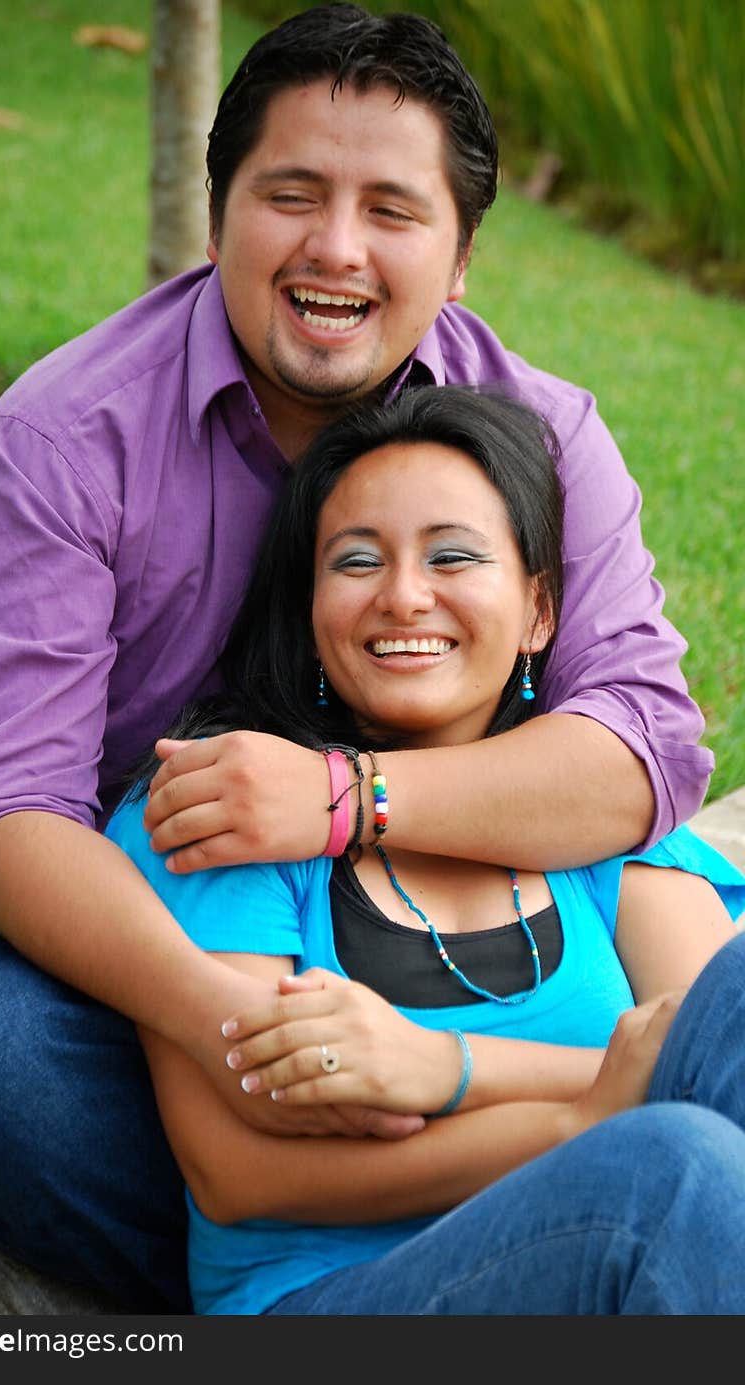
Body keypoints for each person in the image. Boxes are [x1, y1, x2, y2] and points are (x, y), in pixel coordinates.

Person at [0, 5, 715, 1311]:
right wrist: (241, 1030)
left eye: (392, 208)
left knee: (694, 1102)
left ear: (463, 253)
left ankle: (537, 1239)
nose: (335, 248)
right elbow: (7, 815)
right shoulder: (67, 437)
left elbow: (644, 752)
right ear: (220, 215)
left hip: (451, 898)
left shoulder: (543, 438)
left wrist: (348, 801)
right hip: (173, 941)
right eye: (290, 194)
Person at [106, 385, 745, 1315]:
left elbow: (701, 1061)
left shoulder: (592, 826)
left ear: (537, 612)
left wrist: (445, 1067)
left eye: (453, 555)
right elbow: (240, 1171)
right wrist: (582, 1116)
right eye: (356, 559)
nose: (404, 593)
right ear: (312, 607)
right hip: (332, 1301)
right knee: (674, 1175)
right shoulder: (232, 812)